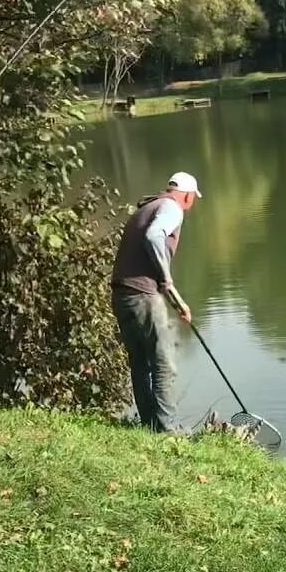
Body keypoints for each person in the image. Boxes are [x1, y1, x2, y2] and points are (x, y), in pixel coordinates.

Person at [110, 173, 202, 433]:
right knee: (164, 365)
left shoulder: (147, 207)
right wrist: (168, 282)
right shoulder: (172, 208)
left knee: (140, 363)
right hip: (143, 296)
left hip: (122, 295)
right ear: (187, 195)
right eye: (193, 198)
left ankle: (151, 426)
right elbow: (153, 236)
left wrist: (176, 301)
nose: (191, 202)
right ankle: (167, 431)